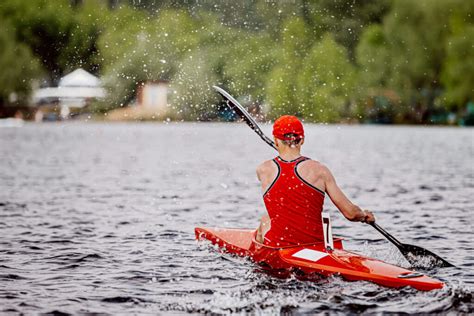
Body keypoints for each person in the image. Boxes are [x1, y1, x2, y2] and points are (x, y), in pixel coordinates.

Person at [255, 115, 375, 246]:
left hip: (279, 248)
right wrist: (363, 216)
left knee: (265, 220)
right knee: (267, 218)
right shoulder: (320, 170)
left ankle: (257, 252)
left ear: (276, 140)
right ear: (302, 140)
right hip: (314, 245)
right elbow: (351, 214)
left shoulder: (263, 170)